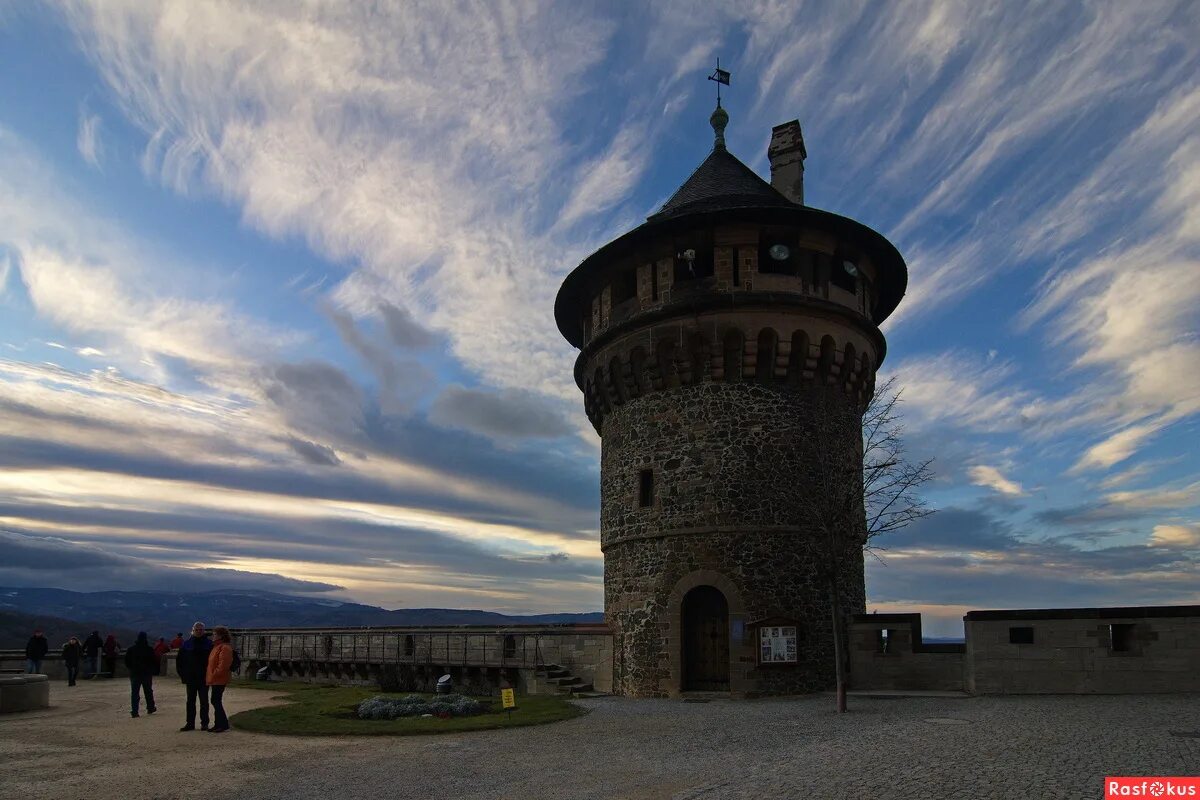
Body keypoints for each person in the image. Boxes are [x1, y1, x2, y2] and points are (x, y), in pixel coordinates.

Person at [176, 622, 213, 731]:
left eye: (201, 630)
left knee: (204, 701)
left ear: (204, 631)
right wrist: (183, 675)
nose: (199, 631)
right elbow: (180, 661)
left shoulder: (209, 644)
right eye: (197, 630)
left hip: (203, 677)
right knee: (190, 701)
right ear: (193, 630)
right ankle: (190, 723)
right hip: (190, 678)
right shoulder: (186, 644)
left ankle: (204, 723)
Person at [206, 625, 234, 733]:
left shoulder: (225, 647)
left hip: (219, 678)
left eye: (215, 634)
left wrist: (214, 674)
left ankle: (223, 724)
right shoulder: (217, 647)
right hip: (215, 678)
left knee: (215, 700)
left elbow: (223, 665)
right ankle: (218, 724)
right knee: (215, 700)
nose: (213, 636)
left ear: (221, 636)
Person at [123, 632, 158, 717]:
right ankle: (150, 707)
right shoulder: (149, 649)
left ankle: (135, 711)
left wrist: (131, 668)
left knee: (135, 693)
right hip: (146, 673)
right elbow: (154, 661)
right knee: (148, 691)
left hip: (135, 673)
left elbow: (127, 661)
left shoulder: (131, 649)